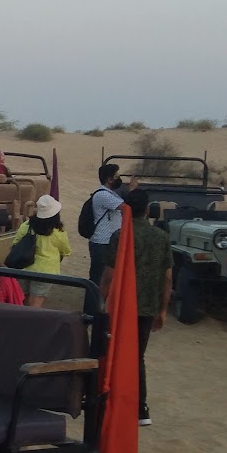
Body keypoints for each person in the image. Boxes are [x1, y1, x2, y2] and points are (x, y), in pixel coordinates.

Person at [99, 190, 172, 425]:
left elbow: (109, 276)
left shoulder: (120, 236)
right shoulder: (161, 237)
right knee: (137, 356)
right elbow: (168, 278)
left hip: (121, 306)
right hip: (147, 306)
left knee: (112, 352)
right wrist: (162, 310)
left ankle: (109, 400)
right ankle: (141, 409)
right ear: (147, 209)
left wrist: (101, 301)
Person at [11, 195, 72, 308]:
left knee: (21, 300)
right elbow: (65, 251)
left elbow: (15, 243)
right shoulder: (58, 232)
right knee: (36, 301)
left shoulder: (26, 226)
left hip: (23, 267)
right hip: (45, 271)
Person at [84, 164, 128, 288]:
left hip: (107, 243)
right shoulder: (103, 195)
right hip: (102, 243)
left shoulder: (111, 194)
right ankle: (91, 306)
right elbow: (125, 208)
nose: (119, 179)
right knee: (98, 279)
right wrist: (133, 190)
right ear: (109, 179)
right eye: (116, 176)